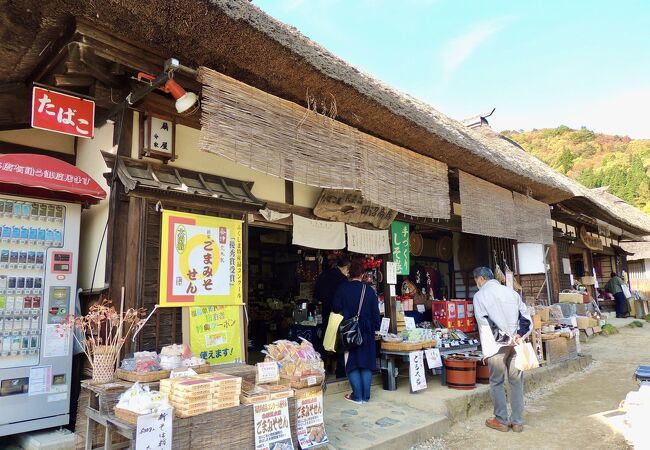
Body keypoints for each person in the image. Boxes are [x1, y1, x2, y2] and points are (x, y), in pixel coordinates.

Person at [472, 267, 532, 433]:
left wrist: (503, 337)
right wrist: (518, 334)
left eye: (476, 280)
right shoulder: (512, 293)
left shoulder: (479, 296)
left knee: (496, 382)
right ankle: (518, 421)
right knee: (516, 381)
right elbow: (525, 317)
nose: (476, 283)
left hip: (496, 346)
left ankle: (501, 420)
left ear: (481, 279)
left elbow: (485, 322)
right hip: (517, 343)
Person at [332, 258, 381, 404]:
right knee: (366, 363)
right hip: (367, 330)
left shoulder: (342, 288)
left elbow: (335, 308)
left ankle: (357, 396)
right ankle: (365, 397)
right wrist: (376, 328)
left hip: (349, 330)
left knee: (351, 363)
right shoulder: (369, 291)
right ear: (362, 275)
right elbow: (376, 314)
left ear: (349, 273)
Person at [314, 257, 350, 378]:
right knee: (339, 342)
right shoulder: (343, 279)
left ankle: (321, 369)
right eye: (347, 270)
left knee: (325, 339)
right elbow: (345, 299)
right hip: (339, 315)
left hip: (326, 312)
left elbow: (317, 294)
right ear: (345, 268)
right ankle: (340, 372)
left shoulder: (323, 275)